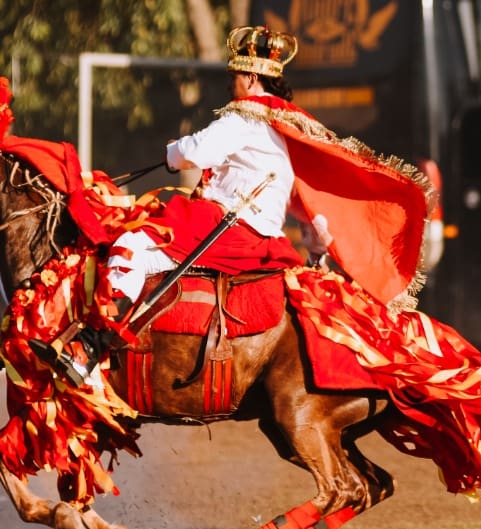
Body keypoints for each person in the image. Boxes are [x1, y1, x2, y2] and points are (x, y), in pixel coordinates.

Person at [42, 25, 309, 384]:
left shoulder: (247, 116)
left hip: (236, 227)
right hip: (258, 230)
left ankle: (92, 347)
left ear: (249, 77)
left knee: (133, 243)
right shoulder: (277, 122)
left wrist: (173, 151)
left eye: (235, 76)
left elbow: (198, 149)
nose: (232, 84)